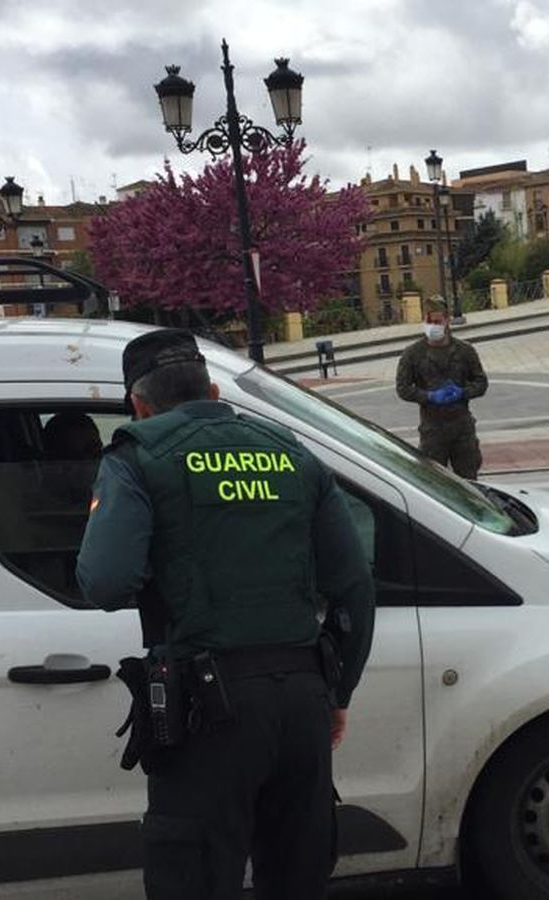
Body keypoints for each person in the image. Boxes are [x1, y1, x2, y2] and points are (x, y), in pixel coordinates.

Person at [76, 329, 376, 900]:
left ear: (138, 405)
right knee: (296, 875)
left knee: (194, 877)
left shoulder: (137, 455)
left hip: (204, 710)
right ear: (212, 389)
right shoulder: (288, 449)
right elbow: (354, 586)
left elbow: (106, 583)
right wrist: (339, 693)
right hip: (302, 702)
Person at [395, 302, 489, 478]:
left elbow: (481, 383)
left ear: (447, 321)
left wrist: (462, 392)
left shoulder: (464, 351)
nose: (434, 326)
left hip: (462, 428)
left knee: (469, 479)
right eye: (430, 321)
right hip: (433, 430)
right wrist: (428, 396)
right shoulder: (413, 353)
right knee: (434, 481)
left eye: (438, 321)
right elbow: (402, 388)